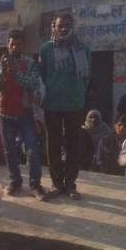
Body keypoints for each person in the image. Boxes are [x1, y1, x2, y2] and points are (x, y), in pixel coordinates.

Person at [0, 29, 45, 199]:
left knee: (33, 150)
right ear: (8, 45)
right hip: (5, 115)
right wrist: (4, 72)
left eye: (18, 44)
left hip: (25, 114)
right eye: (12, 44)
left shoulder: (30, 64)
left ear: (23, 45)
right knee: (9, 151)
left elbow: (33, 84)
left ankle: (35, 185)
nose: (14, 47)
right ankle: (15, 182)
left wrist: (16, 72)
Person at [39, 13, 91, 199]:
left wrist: (77, 93)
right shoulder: (46, 49)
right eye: (60, 25)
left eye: (67, 25)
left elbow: (86, 77)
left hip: (74, 104)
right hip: (52, 103)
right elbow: (42, 75)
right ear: (54, 26)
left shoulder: (82, 49)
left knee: (73, 145)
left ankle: (70, 184)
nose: (64, 29)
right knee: (53, 144)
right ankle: (56, 183)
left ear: (72, 26)